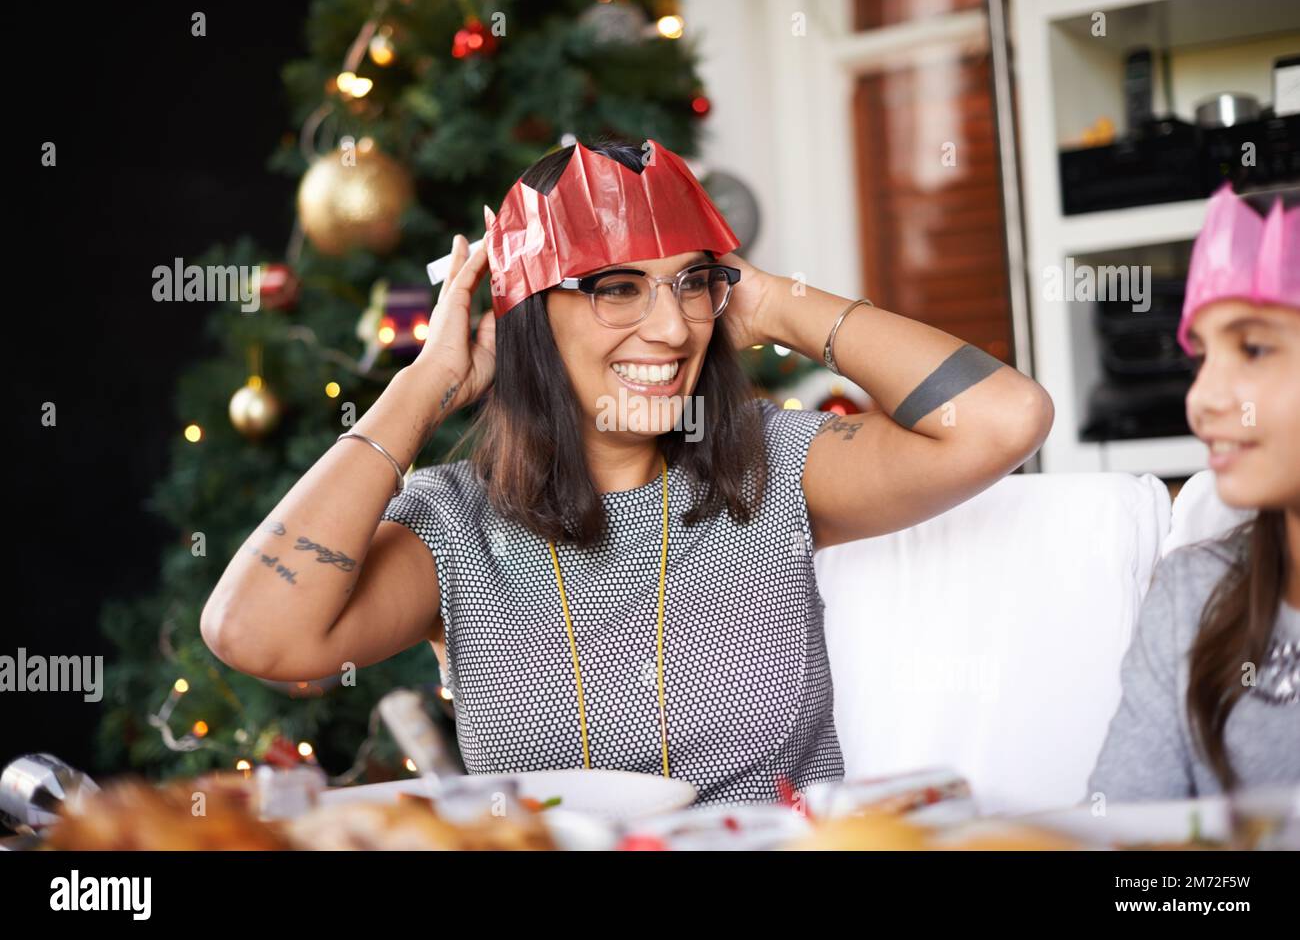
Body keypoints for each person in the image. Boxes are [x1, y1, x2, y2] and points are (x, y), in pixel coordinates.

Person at [201, 137, 1052, 805]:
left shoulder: (774, 464)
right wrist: (424, 387)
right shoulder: (455, 527)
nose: (672, 329)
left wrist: (772, 301)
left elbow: (1003, 419)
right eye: (616, 288)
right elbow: (255, 633)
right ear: (532, 318)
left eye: (690, 284)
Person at [1088, 185, 1300, 801]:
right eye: (1201, 357)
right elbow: (1122, 843)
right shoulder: (1191, 595)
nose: (1200, 399)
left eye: (1253, 348)